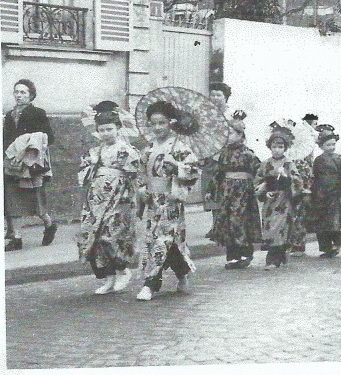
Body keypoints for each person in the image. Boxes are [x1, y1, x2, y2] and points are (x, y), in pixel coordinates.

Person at [136, 101, 200, 301]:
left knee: (162, 239)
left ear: (171, 123)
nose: (157, 128)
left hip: (170, 201)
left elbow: (194, 170)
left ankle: (150, 284)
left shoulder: (179, 147)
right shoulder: (148, 149)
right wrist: (141, 190)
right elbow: (140, 174)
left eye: (162, 123)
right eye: (153, 124)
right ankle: (182, 273)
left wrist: (178, 167)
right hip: (153, 202)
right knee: (163, 241)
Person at [77, 106, 140, 294]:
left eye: (109, 129)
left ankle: (123, 270)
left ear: (118, 128)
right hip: (97, 196)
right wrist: (90, 166)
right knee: (93, 235)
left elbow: (134, 173)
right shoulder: (96, 150)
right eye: (102, 129)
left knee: (111, 234)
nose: (105, 133)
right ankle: (108, 277)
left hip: (118, 194)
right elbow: (85, 171)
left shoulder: (126, 150)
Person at [4, 79, 58, 251]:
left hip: (30, 163)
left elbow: (49, 137)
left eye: (23, 92)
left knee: (36, 198)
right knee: (10, 198)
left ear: (31, 95)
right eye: (16, 92)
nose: (19, 95)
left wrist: (31, 142)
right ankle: (16, 237)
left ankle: (49, 224)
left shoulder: (38, 113)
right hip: (13, 161)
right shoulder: (9, 115)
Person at [207, 111, 262, 269]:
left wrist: (260, 185)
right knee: (228, 222)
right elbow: (218, 172)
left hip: (243, 193)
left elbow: (258, 171)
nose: (228, 136)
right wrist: (212, 189)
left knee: (241, 221)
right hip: (227, 192)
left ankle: (246, 252)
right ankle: (232, 255)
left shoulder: (248, 154)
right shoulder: (223, 153)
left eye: (231, 133)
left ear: (240, 135)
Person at [254, 125, 303, 270]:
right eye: (274, 146)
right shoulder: (265, 164)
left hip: (284, 200)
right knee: (270, 227)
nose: (277, 150)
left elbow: (298, 181)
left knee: (280, 228)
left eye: (280, 147)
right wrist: (264, 191)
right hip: (270, 200)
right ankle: (278, 256)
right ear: (270, 147)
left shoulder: (289, 163)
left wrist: (287, 176)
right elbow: (258, 180)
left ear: (285, 148)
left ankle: (273, 259)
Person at [307, 125, 341, 258]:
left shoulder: (339, 159)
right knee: (321, 223)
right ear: (321, 146)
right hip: (320, 196)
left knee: (334, 223)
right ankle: (326, 247)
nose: (331, 147)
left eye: (333, 144)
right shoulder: (317, 160)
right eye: (328, 145)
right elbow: (315, 177)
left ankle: (336, 244)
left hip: (334, 195)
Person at [203, 82, 235, 238]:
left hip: (226, 158)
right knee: (211, 191)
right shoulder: (206, 113)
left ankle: (224, 225)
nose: (215, 98)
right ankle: (215, 225)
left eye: (219, 95)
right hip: (210, 156)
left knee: (225, 192)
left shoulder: (232, 115)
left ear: (225, 97)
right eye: (213, 94)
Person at [287, 114, 317, 257]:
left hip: (299, 192)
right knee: (287, 217)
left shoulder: (302, 160)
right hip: (285, 192)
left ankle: (298, 245)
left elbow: (307, 176)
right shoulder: (285, 158)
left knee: (299, 218)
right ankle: (287, 244)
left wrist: (305, 189)